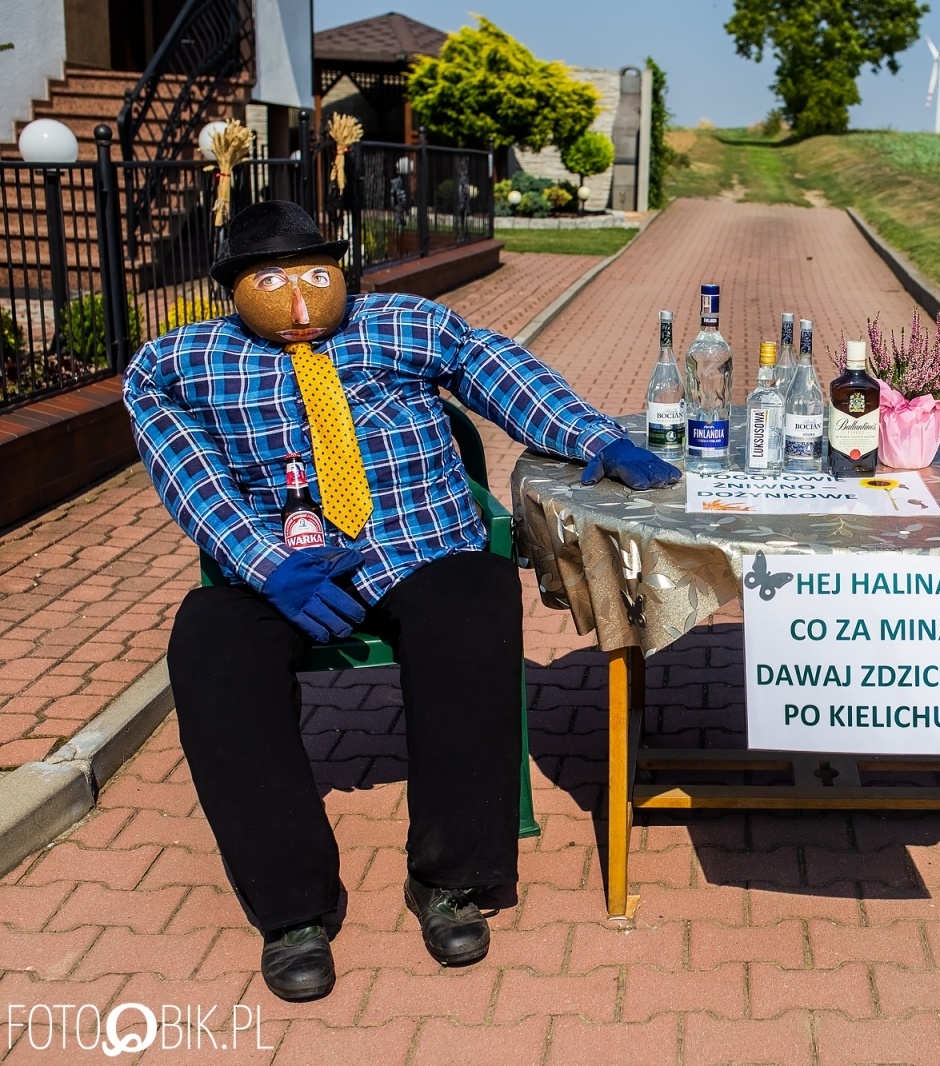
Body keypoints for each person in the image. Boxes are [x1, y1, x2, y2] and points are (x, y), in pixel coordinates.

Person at [123, 200, 679, 1000]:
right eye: (273, 281)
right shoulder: (178, 363)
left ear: (340, 269)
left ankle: (449, 879)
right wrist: (264, 563)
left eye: (316, 275)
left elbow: (497, 370)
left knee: (475, 605)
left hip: (420, 546)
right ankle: (292, 909)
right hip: (284, 567)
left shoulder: (402, 323)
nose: (301, 301)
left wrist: (595, 437)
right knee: (211, 649)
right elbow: (187, 470)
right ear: (233, 289)